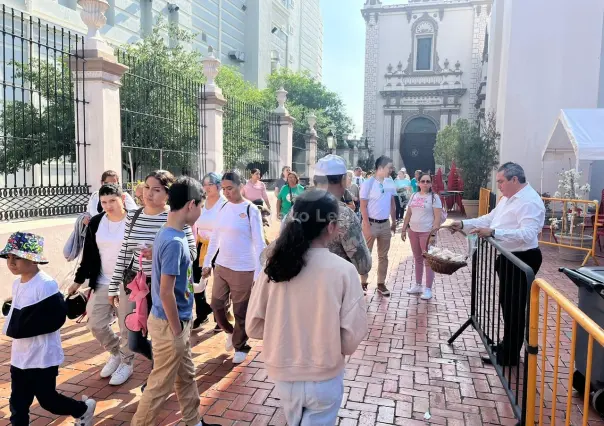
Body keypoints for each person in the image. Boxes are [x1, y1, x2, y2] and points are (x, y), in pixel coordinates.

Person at [247, 189, 368, 426]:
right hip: (324, 375)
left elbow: (253, 325)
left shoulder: (274, 267)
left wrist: (283, 339)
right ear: (332, 226)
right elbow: (352, 334)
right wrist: (330, 346)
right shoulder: (343, 271)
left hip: (283, 375)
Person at [131, 177, 219, 426]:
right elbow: (166, 291)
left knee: (187, 376)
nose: (201, 211)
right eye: (201, 206)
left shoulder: (169, 233)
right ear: (191, 204)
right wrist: (178, 330)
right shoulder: (174, 241)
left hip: (173, 320)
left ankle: (194, 422)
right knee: (159, 386)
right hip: (171, 323)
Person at [450, 162, 545, 366]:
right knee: (507, 305)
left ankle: (510, 354)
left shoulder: (529, 201)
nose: (499, 186)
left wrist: (494, 233)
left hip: (523, 258)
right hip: (508, 258)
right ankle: (506, 346)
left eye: (501, 181)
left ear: (514, 179)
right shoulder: (507, 199)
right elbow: (490, 218)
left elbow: (528, 234)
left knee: (515, 308)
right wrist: (465, 224)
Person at [1, 232, 97, 426]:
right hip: (20, 356)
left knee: (48, 400)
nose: (11, 262)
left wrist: (20, 324)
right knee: (18, 403)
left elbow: (53, 319)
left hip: (42, 356)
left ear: (34, 260)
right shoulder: (17, 283)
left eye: (17, 257)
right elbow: (18, 320)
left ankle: (83, 409)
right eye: (8, 257)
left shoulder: (45, 285)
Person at [109, 171, 196, 364]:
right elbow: (125, 251)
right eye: (147, 187)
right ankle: (161, 369)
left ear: (168, 194)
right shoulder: (133, 215)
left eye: (156, 190)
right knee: (134, 341)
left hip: (162, 285)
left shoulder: (174, 216)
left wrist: (158, 251)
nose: (149, 194)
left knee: (161, 337)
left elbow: (191, 253)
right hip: (135, 284)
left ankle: (158, 377)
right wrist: (114, 285)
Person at [69, 183, 135, 385]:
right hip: (103, 280)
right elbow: (88, 254)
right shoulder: (97, 222)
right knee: (95, 322)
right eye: (103, 202)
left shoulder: (133, 221)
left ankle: (127, 362)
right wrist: (78, 281)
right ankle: (115, 352)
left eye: (112, 201)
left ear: (122, 199)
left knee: (126, 326)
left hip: (127, 282)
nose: (108, 206)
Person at [202, 171, 266, 364]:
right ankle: (230, 332)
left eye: (230, 188)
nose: (227, 192)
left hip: (244, 268)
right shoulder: (223, 208)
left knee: (241, 311)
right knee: (216, 306)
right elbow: (215, 238)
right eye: (224, 189)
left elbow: (260, 243)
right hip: (222, 266)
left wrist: (258, 273)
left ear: (240, 186)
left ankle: (241, 345)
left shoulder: (250, 210)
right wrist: (207, 262)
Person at [280, 155, 372, 280]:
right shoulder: (345, 215)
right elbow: (364, 266)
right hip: (331, 290)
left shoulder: (295, 209)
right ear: (343, 180)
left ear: (315, 180)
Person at [191, 172, 231, 331]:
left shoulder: (225, 204)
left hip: (220, 246)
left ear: (218, 185)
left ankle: (220, 317)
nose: (206, 187)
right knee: (196, 279)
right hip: (200, 244)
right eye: (204, 184)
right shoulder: (201, 202)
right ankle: (202, 312)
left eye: (210, 184)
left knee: (220, 283)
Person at [401, 172, 442, 300]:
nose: (425, 183)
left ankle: (428, 289)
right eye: (422, 181)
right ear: (418, 183)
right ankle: (418, 285)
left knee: (428, 260)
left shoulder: (434, 198)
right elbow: (408, 214)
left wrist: (433, 234)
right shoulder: (414, 195)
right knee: (417, 258)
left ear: (431, 183)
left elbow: (437, 218)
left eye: (427, 181)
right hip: (413, 231)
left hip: (426, 232)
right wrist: (403, 229)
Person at [359, 155, 396, 296]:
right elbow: (363, 206)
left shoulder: (389, 182)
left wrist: (393, 221)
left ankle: (381, 283)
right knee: (366, 254)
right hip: (371, 224)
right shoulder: (368, 184)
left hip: (385, 224)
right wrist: (367, 225)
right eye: (389, 167)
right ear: (380, 168)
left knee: (383, 256)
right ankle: (363, 282)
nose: (391, 170)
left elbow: (392, 203)